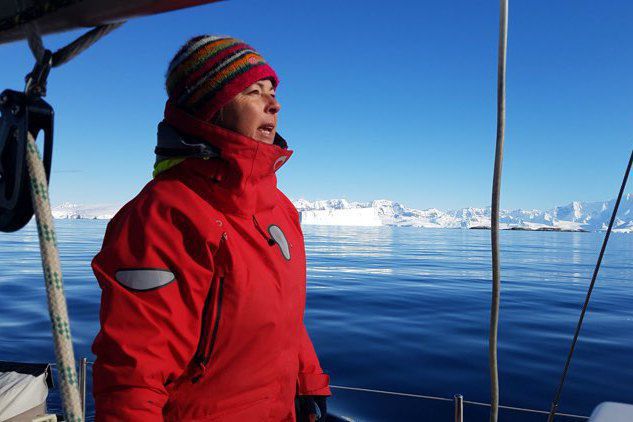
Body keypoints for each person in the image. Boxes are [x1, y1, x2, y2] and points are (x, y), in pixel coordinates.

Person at [91, 35, 331, 421]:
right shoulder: (163, 216)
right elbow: (134, 374)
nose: (274, 103)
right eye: (253, 91)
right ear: (211, 108)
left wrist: (308, 383)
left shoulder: (280, 210)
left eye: (271, 90)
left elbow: (285, 319)